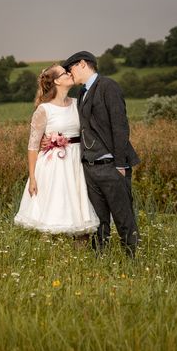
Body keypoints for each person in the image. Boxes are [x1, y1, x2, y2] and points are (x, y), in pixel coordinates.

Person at [62, 50, 140, 256]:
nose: (71, 74)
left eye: (71, 69)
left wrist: (121, 164)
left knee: (123, 217)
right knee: (98, 220)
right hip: (90, 167)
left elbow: (120, 126)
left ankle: (131, 259)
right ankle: (100, 259)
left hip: (111, 165)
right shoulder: (82, 93)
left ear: (82, 64)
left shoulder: (108, 86)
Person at [14, 64, 99, 236]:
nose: (70, 73)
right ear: (56, 81)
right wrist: (32, 178)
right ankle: (51, 256)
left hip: (77, 162)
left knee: (79, 210)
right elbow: (32, 146)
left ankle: (80, 255)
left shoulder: (77, 104)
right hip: (53, 166)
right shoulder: (44, 109)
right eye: (64, 72)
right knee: (55, 209)